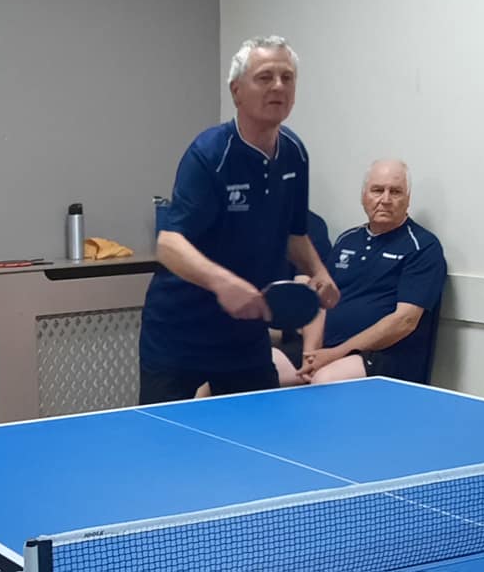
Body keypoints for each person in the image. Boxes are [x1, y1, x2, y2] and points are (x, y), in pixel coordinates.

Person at [139, 35, 339, 404]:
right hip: (180, 332)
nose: (279, 86)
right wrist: (224, 283)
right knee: (163, 449)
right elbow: (168, 244)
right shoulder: (209, 154)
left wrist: (319, 270)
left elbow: (295, 234)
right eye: (265, 77)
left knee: (259, 434)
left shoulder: (295, 154)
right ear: (236, 91)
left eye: (287, 77)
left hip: (246, 334)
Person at [277, 159, 447, 385]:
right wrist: (311, 354)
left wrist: (334, 354)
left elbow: (403, 321)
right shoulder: (347, 240)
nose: (385, 200)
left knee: (324, 381)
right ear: (363, 196)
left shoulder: (423, 247)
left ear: (408, 199)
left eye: (395, 192)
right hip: (326, 350)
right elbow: (320, 301)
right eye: (377, 190)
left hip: (383, 357)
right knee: (258, 367)